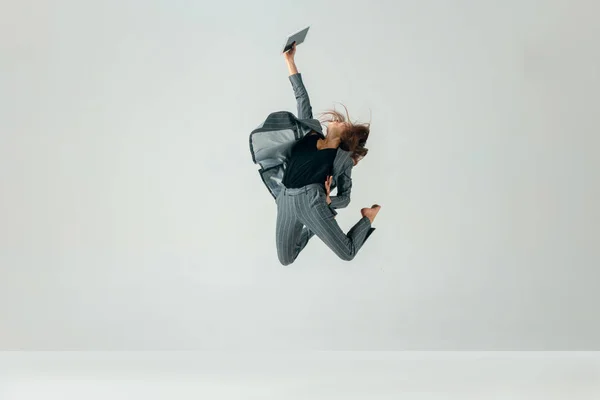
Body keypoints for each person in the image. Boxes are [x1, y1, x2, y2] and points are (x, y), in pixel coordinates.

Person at [249, 43, 381, 265]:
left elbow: (346, 197)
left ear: (345, 135)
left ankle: (368, 218)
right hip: (285, 199)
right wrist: (290, 61)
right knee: (286, 258)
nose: (336, 120)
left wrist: (329, 201)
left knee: (347, 253)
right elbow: (302, 99)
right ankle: (314, 226)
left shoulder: (342, 160)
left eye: (343, 123)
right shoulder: (310, 134)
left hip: (312, 201)